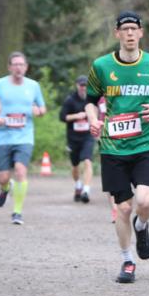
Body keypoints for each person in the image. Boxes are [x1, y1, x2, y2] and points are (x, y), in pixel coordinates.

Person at [85, 11, 149, 284]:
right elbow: (90, 100)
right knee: (122, 208)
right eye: (126, 29)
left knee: (144, 202)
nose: (130, 34)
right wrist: (93, 120)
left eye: (135, 29)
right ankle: (127, 260)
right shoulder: (101, 66)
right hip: (113, 147)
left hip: (144, 144)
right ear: (117, 34)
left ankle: (142, 226)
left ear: (142, 33)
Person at [0, 52, 47, 225]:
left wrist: (38, 111)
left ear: (26, 67)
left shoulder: (33, 86)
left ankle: (17, 212)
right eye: (15, 64)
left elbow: (42, 108)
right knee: (3, 177)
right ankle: (5, 188)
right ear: (9, 67)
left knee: (21, 171)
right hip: (3, 137)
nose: (18, 67)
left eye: (21, 64)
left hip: (24, 137)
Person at [59, 75, 94, 203]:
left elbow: (99, 113)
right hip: (73, 138)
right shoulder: (70, 100)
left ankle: (86, 190)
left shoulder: (91, 99)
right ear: (77, 85)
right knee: (75, 165)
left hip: (87, 136)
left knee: (88, 161)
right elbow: (62, 117)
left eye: (85, 85)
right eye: (81, 85)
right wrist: (76, 116)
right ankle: (78, 184)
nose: (83, 88)